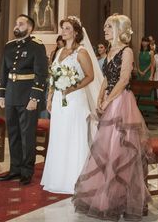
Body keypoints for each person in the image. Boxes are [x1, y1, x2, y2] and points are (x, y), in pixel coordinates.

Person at [73, 14, 153, 220]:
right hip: (109, 100)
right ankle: (107, 195)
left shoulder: (127, 51)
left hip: (121, 103)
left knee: (120, 150)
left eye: (109, 27)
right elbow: (107, 77)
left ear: (119, 29)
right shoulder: (110, 50)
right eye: (105, 26)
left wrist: (109, 101)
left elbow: (124, 79)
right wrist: (100, 97)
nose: (105, 30)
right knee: (105, 149)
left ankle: (122, 197)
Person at [41, 16, 103, 194]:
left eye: (67, 28)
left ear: (76, 32)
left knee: (74, 135)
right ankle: (58, 176)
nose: (64, 31)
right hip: (60, 100)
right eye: (63, 28)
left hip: (75, 99)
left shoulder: (81, 52)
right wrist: (50, 97)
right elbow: (53, 76)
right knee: (59, 135)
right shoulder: (60, 52)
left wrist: (71, 87)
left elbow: (90, 76)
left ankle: (77, 178)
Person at [0, 14, 48, 186]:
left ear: (30, 28)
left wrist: (35, 97)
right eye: (16, 23)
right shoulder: (9, 46)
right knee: (13, 133)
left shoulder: (36, 46)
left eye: (21, 24)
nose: (17, 26)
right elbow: (3, 70)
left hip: (27, 96)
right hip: (11, 93)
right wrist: (2, 94)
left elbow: (41, 73)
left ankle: (27, 171)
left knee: (27, 135)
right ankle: (15, 168)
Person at [136, 36, 155, 113]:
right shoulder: (139, 52)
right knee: (140, 90)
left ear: (148, 43)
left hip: (147, 72)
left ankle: (148, 109)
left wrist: (150, 74)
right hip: (140, 73)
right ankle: (140, 108)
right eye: (143, 41)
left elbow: (152, 64)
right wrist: (139, 71)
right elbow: (137, 63)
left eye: (146, 41)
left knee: (147, 90)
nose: (144, 43)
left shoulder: (151, 52)